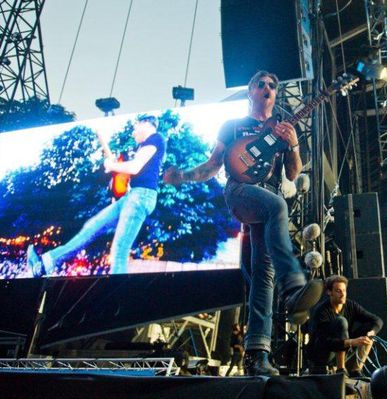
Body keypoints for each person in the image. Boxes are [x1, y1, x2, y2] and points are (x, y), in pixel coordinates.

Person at [163, 70, 323, 376]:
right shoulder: (233, 127)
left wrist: (293, 145)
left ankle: (256, 354)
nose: (267, 88)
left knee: (264, 275)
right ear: (250, 91)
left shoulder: (285, 129)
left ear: (276, 95)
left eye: (273, 86)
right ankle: (292, 291)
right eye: (260, 84)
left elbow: (293, 174)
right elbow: (212, 165)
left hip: (269, 200)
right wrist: (181, 176)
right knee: (277, 207)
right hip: (239, 192)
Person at [27, 114, 165, 276]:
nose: (133, 133)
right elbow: (137, 174)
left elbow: (134, 167)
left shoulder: (156, 139)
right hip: (132, 196)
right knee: (91, 227)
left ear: (146, 123)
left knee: (119, 250)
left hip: (141, 197)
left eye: (135, 128)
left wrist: (112, 164)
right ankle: (46, 263)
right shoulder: (143, 147)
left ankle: (118, 297)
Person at [307, 275, 383, 378]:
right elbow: (323, 341)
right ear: (329, 292)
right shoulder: (321, 311)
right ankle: (340, 369)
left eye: (344, 290)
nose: (343, 294)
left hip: (342, 348)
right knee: (341, 322)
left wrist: (371, 333)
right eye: (338, 291)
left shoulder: (350, 305)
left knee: (369, 330)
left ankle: (356, 370)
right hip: (322, 353)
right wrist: (351, 342)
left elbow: (377, 320)